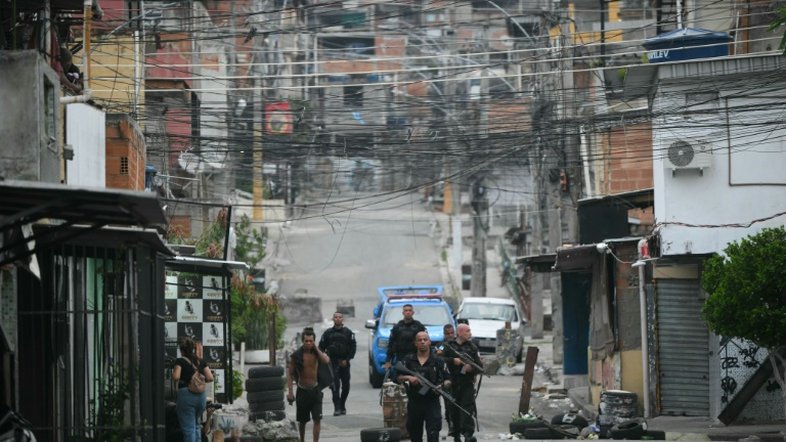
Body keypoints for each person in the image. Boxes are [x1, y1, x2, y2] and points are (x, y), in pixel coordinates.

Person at [398, 331, 450, 442]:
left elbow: (448, 379)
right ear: (415, 343)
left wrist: (442, 385)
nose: (422, 342)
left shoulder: (438, 361)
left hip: (432, 402)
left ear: (429, 342)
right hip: (414, 402)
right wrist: (409, 378)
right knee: (415, 435)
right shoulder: (408, 360)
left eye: (425, 340)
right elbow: (397, 377)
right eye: (419, 340)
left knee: (433, 434)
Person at [287, 327, 330, 442]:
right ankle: (302, 440)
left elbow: (326, 361)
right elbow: (290, 374)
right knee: (302, 421)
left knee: (317, 419)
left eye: (311, 341)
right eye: (306, 341)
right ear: (302, 341)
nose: (309, 343)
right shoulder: (296, 356)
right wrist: (290, 392)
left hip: (315, 391)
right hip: (302, 391)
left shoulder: (316, 353)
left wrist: (316, 348)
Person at [442, 323, 482, 442]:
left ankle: (468, 434)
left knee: (467, 408)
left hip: (466, 382)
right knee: (453, 408)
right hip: (451, 382)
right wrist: (452, 360)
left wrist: (472, 369)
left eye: (470, 331)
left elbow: (479, 366)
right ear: (459, 333)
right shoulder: (448, 346)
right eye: (467, 331)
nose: (470, 333)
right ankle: (456, 434)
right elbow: (438, 360)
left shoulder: (472, 347)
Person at [172, 337, 214, 442]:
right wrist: (198, 382)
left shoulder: (180, 361)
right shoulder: (201, 361)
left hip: (186, 397)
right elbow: (210, 378)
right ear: (193, 349)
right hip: (200, 398)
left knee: (188, 429)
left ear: (181, 350)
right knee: (196, 426)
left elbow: (176, 377)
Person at [318, 311, 357, 416]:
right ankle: (337, 408)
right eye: (336, 317)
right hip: (332, 363)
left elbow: (353, 348)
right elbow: (320, 348)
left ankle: (342, 404)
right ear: (333, 319)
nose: (338, 319)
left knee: (346, 386)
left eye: (340, 317)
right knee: (335, 386)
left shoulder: (348, 333)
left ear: (342, 319)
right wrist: (325, 359)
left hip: (345, 362)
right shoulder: (328, 333)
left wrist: (347, 360)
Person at [384, 303, 426, 371]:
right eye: (406, 310)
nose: (408, 312)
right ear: (403, 313)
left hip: (416, 358)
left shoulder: (419, 326)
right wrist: (388, 361)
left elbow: (427, 343)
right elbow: (391, 345)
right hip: (400, 357)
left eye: (409, 310)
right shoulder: (397, 327)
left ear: (413, 312)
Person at [436, 323, 456, 436]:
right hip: (446, 378)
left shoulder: (458, 344)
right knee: (449, 403)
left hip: (459, 378)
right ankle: (451, 426)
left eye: (451, 333)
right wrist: (453, 360)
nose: (450, 335)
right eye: (447, 333)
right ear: (444, 334)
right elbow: (439, 358)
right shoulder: (442, 346)